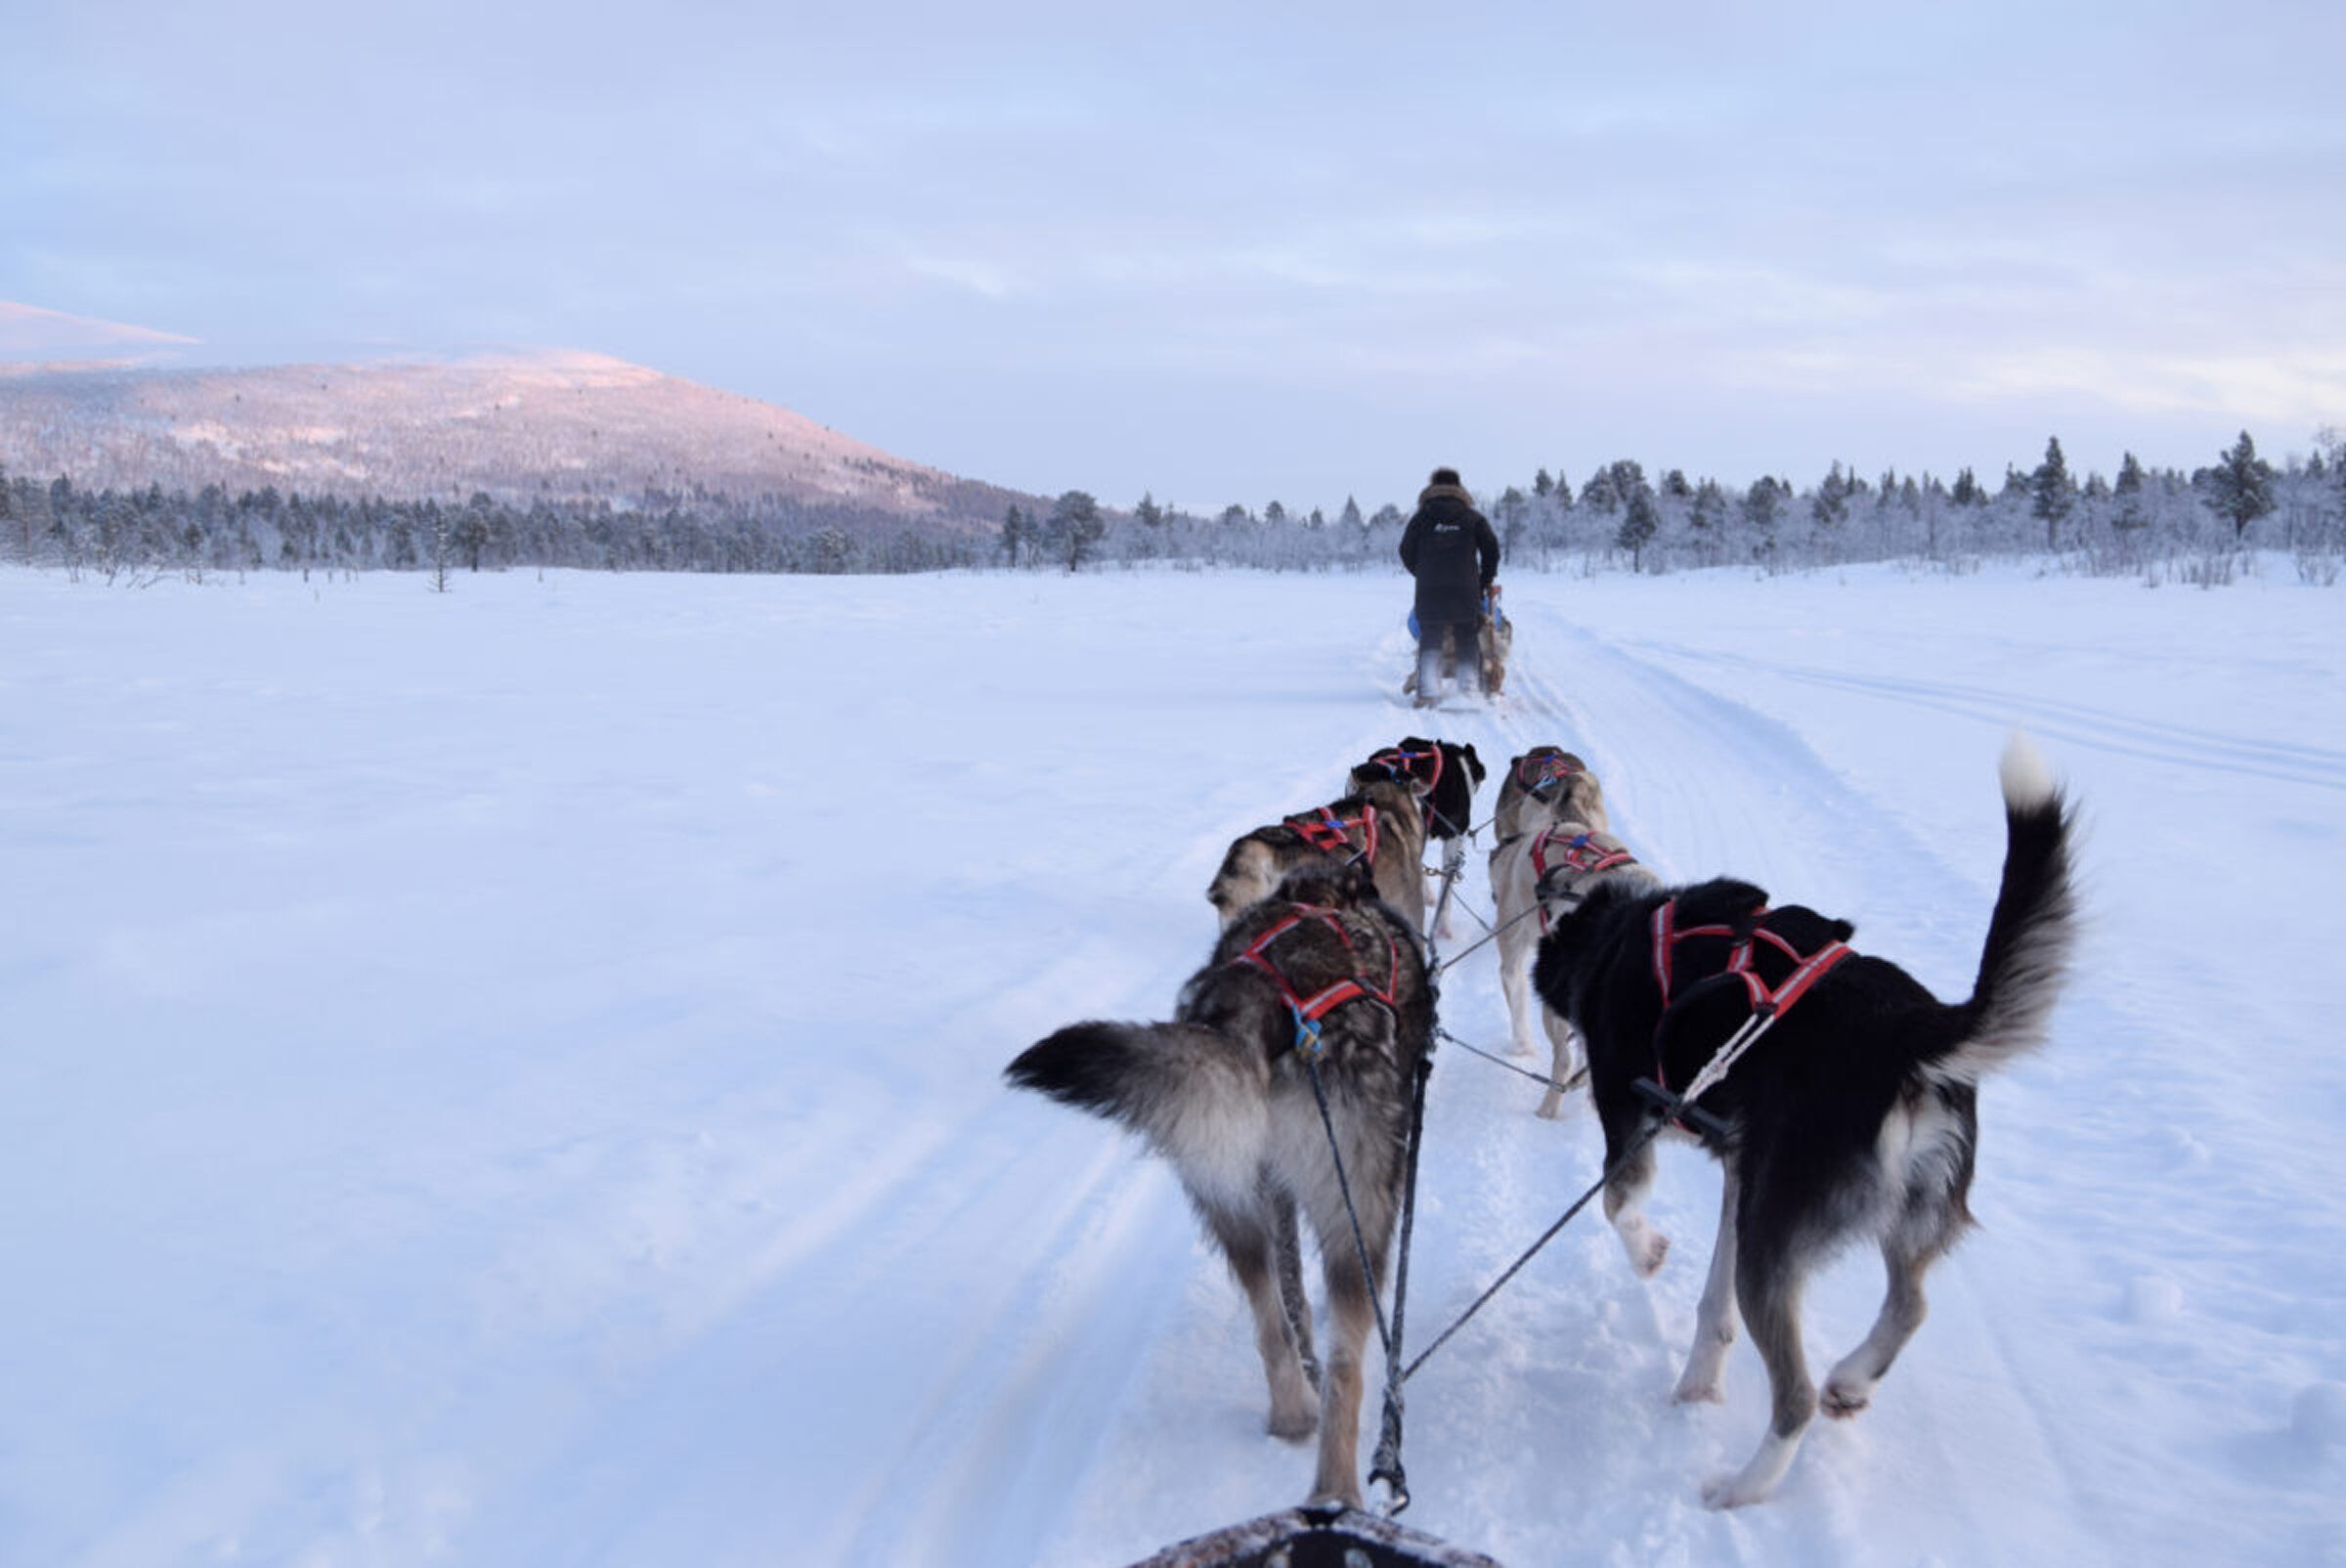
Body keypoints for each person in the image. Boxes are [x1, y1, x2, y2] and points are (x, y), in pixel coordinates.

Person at [1398, 466, 1500, 706]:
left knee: (1430, 638)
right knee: (1467, 637)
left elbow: (1405, 551)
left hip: (1430, 590)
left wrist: (1422, 573)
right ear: (1459, 489)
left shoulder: (1421, 519)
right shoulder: (1472, 518)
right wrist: (1483, 580)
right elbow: (1491, 550)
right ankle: (1468, 692)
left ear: (1432, 488)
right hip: (1466, 589)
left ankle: (1428, 693)